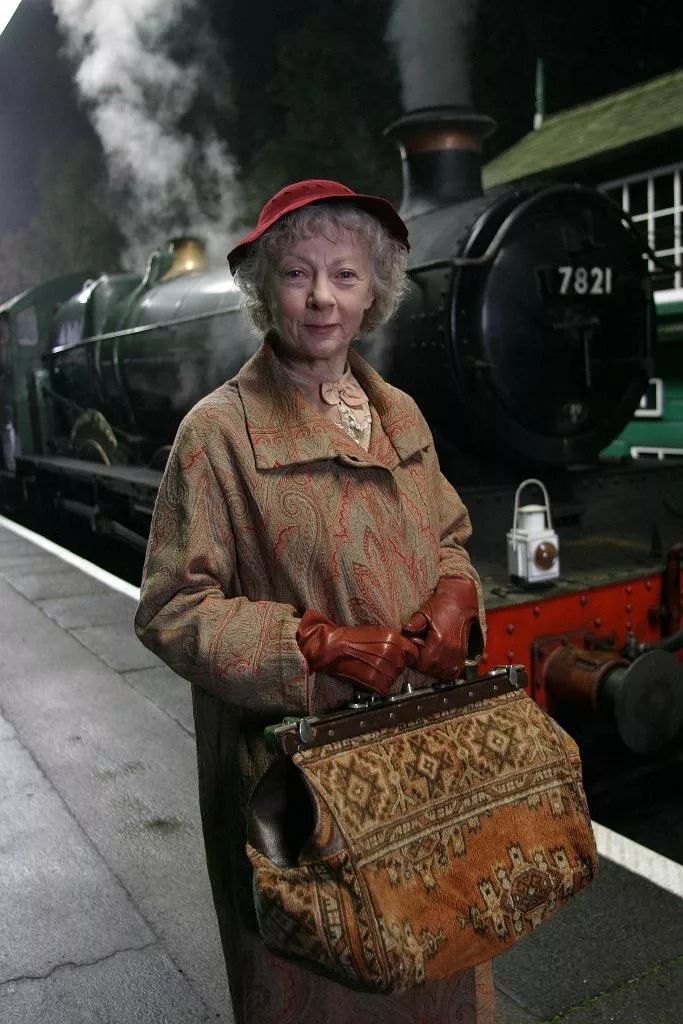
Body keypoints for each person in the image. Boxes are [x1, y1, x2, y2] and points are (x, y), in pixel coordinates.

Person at [134, 179, 493, 1024]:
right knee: (319, 986)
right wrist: (315, 646)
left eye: (345, 274)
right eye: (297, 274)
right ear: (265, 290)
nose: (322, 297)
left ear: (374, 292)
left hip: (420, 767)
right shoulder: (217, 433)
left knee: (438, 959)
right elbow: (171, 607)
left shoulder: (401, 414)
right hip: (298, 788)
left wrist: (454, 596)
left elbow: (449, 534)